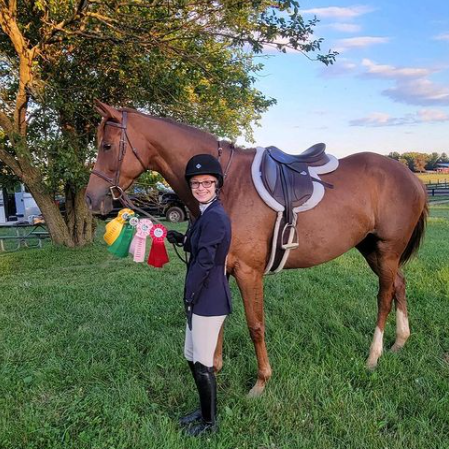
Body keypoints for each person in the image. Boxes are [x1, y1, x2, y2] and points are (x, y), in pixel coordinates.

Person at [167, 154, 232, 437]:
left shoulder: (216, 217)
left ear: (216, 185)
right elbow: (201, 246)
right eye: (196, 183)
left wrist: (189, 294)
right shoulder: (203, 214)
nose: (201, 187)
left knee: (203, 363)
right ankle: (203, 411)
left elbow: (206, 261)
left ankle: (210, 423)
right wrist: (181, 239)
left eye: (207, 182)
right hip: (199, 298)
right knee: (191, 356)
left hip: (208, 298)